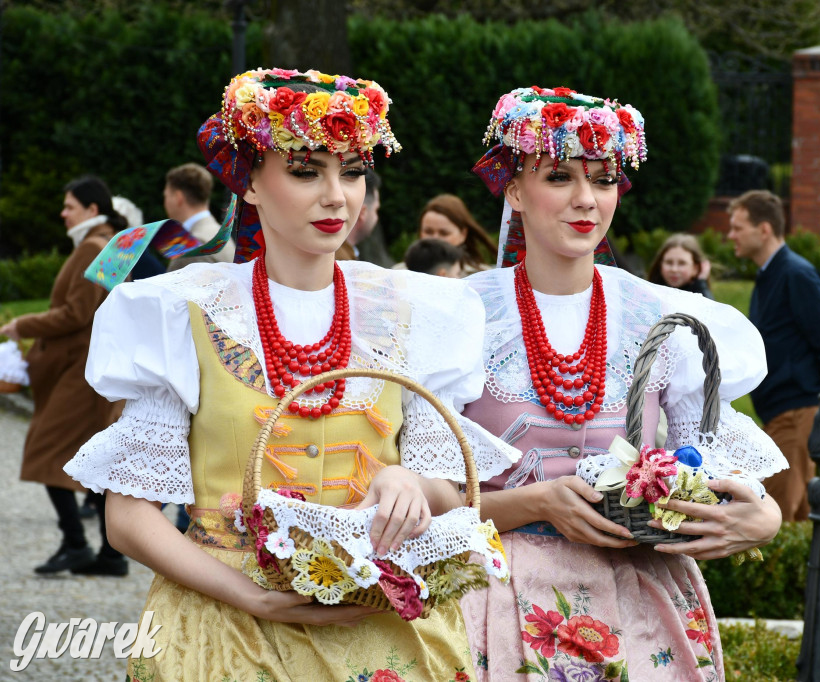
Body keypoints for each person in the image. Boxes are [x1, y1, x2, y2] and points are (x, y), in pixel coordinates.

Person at [63, 68, 518, 680]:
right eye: (306, 171)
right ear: (248, 180)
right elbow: (127, 517)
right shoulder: (182, 313)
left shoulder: (416, 312)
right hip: (225, 628)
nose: (337, 196)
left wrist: (411, 484)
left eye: (352, 171)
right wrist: (247, 594)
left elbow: (448, 489)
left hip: (379, 626)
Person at [458, 86, 787, 681]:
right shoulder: (462, 316)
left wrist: (762, 516)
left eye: (604, 179)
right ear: (512, 188)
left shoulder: (660, 318)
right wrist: (529, 504)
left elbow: (713, 470)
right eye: (559, 176)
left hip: (641, 601)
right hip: (498, 601)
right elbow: (416, 498)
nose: (586, 200)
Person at [0, 175, 130, 576]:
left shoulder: (94, 247)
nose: (63, 212)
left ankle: (77, 543)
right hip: (91, 367)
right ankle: (110, 554)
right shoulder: (109, 246)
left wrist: (24, 322)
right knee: (88, 457)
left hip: (82, 371)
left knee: (47, 447)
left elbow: (78, 313)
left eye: (70, 205)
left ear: (92, 210)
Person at [726, 190, 820, 522]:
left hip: (797, 412)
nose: (731, 235)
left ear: (764, 229)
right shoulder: (771, 274)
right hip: (783, 413)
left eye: (738, 227)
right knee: (794, 515)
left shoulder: (795, 274)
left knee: (776, 519)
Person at [164, 162, 236, 270]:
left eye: (166, 196)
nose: (165, 202)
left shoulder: (192, 247)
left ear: (178, 197)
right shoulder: (218, 233)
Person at [418, 193, 498, 275]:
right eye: (428, 232)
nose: (434, 239)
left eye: (444, 233)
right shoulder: (405, 274)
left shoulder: (484, 277)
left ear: (463, 235)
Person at [335, 168, 394, 267]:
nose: (376, 217)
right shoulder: (340, 262)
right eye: (376, 210)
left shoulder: (343, 255)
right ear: (362, 212)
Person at [647, 233, 714, 299]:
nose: (674, 269)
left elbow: (709, 307)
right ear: (660, 264)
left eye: (682, 263)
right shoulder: (650, 294)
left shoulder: (699, 296)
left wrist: (701, 283)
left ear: (695, 268)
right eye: (669, 262)